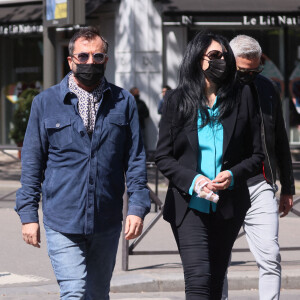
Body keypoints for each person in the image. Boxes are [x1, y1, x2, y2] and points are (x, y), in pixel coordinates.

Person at [15, 26, 150, 299]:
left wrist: (137, 206)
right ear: (71, 60)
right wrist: (28, 215)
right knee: (74, 292)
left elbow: (135, 159)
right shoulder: (45, 102)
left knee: (97, 295)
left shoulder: (124, 102)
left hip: (106, 220)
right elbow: (32, 163)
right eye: (83, 56)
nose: (91, 62)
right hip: (62, 219)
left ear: (106, 60)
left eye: (97, 57)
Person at [155, 31, 264, 299]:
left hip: (228, 205)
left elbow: (257, 155)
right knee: (199, 280)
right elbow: (163, 157)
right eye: (214, 56)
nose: (222, 61)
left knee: (216, 283)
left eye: (225, 56)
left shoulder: (244, 97)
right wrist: (193, 180)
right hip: (188, 204)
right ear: (197, 58)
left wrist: (232, 174)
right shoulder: (176, 100)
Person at [222, 35, 295, 300]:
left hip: (259, 183)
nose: (249, 77)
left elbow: (280, 140)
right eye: (243, 72)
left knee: (271, 256)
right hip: (223, 185)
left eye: (255, 71)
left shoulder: (266, 88)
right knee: (220, 260)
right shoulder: (213, 87)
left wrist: (287, 186)